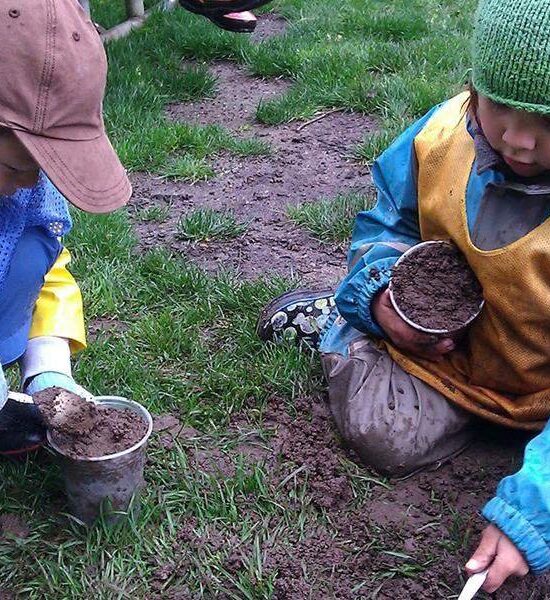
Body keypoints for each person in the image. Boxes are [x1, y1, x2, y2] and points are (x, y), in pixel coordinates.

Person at [257, 0, 550, 592]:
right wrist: (378, 300)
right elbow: (388, 225)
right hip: (451, 358)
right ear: (474, 87)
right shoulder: (441, 136)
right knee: (382, 435)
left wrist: (534, 511)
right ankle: (340, 322)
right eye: (499, 107)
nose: (519, 141)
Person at [0, 0, 131, 455]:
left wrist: (48, 366)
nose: (30, 183)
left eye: (44, 168)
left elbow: (44, 270)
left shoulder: (25, 191)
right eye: (15, 167)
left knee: (30, 243)